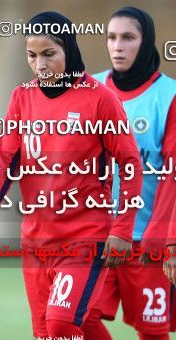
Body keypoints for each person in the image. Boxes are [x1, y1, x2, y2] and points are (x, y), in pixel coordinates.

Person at [0, 11, 143, 339]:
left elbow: (131, 163)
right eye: (32, 56)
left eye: (49, 54)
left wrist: (122, 229)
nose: (40, 65)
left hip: (85, 237)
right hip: (36, 243)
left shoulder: (100, 99)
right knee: (59, 330)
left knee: (62, 322)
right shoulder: (22, 98)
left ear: (70, 50)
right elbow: (5, 159)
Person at [93, 6, 176, 340]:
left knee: (151, 331)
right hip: (95, 233)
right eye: (112, 37)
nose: (118, 46)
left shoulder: (168, 96)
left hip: (146, 240)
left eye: (128, 37)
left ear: (146, 41)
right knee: (72, 316)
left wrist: (167, 240)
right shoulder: (89, 88)